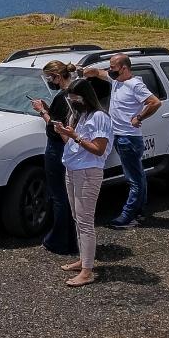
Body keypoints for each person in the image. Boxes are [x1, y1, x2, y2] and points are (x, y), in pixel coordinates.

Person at [82, 54, 162, 228]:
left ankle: (128, 216)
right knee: (138, 175)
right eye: (110, 67)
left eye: (113, 67)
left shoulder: (135, 85)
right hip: (120, 136)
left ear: (124, 68)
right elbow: (98, 73)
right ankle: (140, 211)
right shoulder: (116, 81)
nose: (110, 70)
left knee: (133, 179)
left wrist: (139, 116)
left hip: (129, 139)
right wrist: (85, 71)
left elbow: (155, 102)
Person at [53, 78, 113, 287]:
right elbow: (72, 143)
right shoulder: (79, 115)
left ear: (86, 97)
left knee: (85, 221)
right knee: (77, 217)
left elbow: (99, 148)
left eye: (75, 98)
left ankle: (87, 271)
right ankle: (83, 259)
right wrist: (64, 133)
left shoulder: (99, 117)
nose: (72, 101)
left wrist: (76, 136)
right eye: (70, 98)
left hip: (88, 172)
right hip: (72, 168)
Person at [30, 61, 79, 256]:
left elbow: (55, 126)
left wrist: (42, 111)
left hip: (57, 148)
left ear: (58, 77)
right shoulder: (77, 92)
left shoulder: (62, 96)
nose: (49, 81)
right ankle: (70, 239)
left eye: (50, 78)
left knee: (59, 196)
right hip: (70, 149)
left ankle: (59, 240)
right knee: (67, 196)